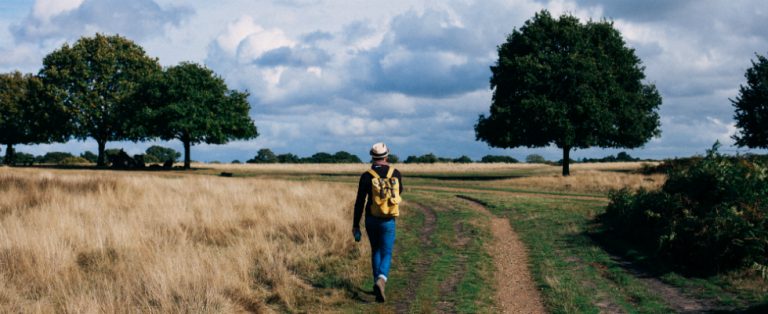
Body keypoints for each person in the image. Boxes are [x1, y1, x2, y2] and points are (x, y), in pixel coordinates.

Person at [353, 142, 403, 302]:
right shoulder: (396, 173)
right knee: (387, 252)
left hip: (371, 219)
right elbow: (399, 192)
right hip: (388, 219)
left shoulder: (366, 175)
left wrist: (355, 224)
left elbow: (360, 201)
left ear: (372, 157)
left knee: (376, 250)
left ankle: (377, 283)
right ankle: (382, 279)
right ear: (386, 156)